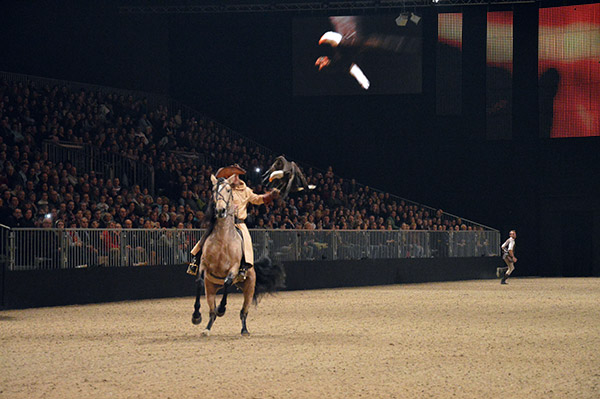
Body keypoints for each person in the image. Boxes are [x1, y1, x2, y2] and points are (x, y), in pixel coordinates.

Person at [187, 164, 279, 280]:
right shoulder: (224, 188)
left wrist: (269, 196)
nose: (234, 177)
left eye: (236, 175)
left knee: (246, 239)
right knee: (208, 234)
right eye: (232, 175)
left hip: (239, 222)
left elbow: (257, 199)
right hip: (223, 221)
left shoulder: (246, 190)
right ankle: (195, 259)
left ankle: (245, 266)